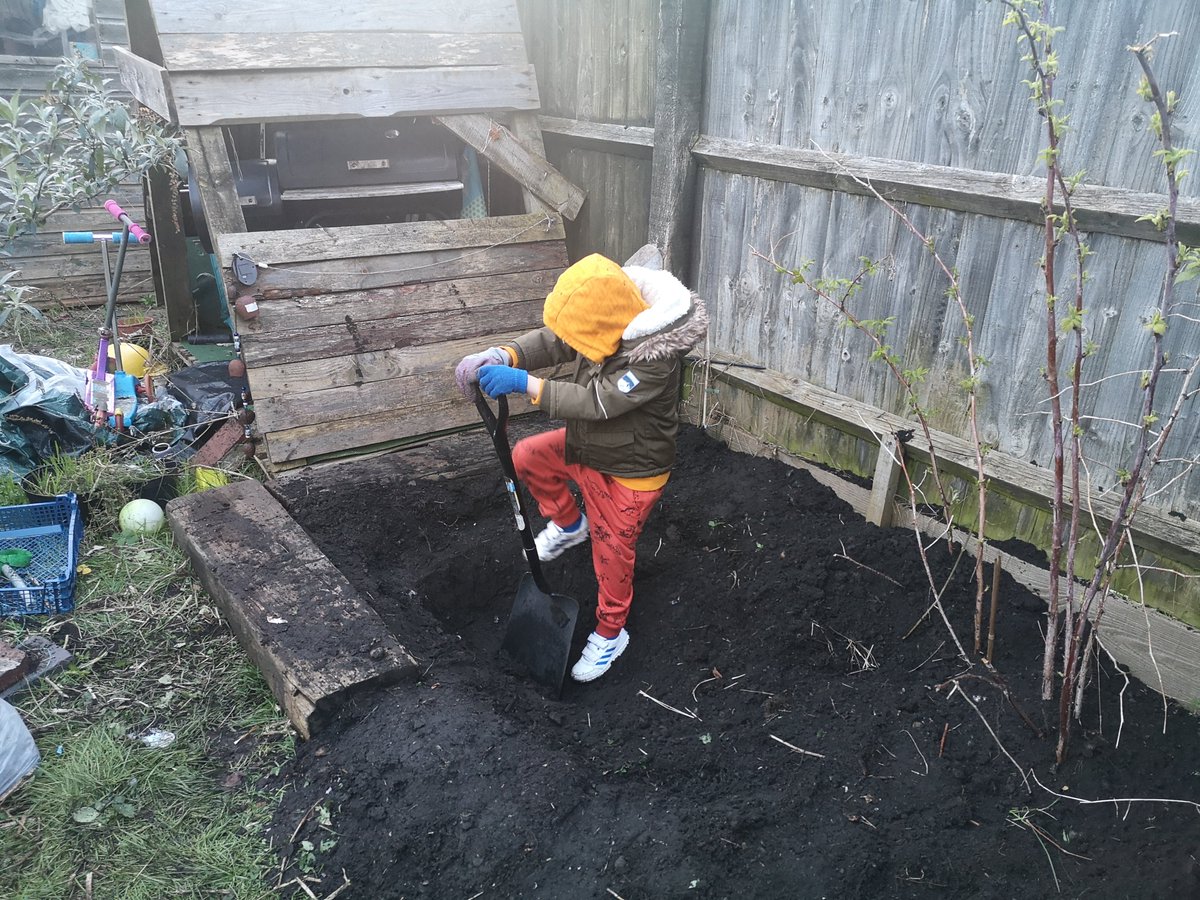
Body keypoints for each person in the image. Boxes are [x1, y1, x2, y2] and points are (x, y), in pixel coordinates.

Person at [455, 253, 708, 682]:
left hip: (632, 473)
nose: (569, 340)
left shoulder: (653, 358)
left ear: (604, 328)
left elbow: (598, 402)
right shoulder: (605, 318)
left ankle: (611, 634)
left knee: (611, 552)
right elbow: (557, 339)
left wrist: (527, 385)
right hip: (593, 447)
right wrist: (506, 353)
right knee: (528, 457)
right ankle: (570, 524)